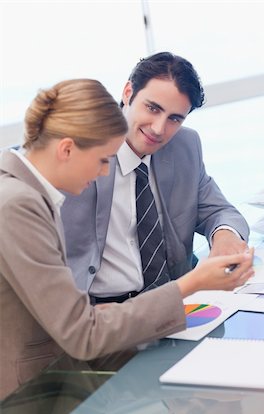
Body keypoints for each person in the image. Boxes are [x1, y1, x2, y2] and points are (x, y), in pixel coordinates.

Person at [0, 78, 254, 400]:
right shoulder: (18, 204)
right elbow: (83, 332)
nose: (105, 172)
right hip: (36, 391)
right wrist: (192, 283)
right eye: (103, 160)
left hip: (84, 361)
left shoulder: (28, 194)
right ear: (66, 149)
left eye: (176, 117)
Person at [61, 52, 250, 304]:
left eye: (174, 118)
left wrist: (225, 235)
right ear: (128, 93)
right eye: (153, 108)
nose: (159, 129)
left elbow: (219, 210)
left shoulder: (185, 145)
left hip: (177, 300)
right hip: (101, 311)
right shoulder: (80, 151)